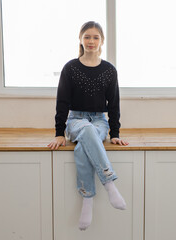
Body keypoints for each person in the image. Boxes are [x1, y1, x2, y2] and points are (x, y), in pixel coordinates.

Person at [48, 21, 129, 231]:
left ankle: (87, 198)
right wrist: (59, 133)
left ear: (101, 40)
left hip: (99, 121)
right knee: (86, 130)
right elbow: (62, 101)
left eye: (95, 37)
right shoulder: (70, 68)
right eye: (87, 37)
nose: (91, 41)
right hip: (75, 120)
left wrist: (114, 133)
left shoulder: (109, 70)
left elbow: (114, 103)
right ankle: (109, 183)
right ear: (80, 39)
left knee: (86, 141)